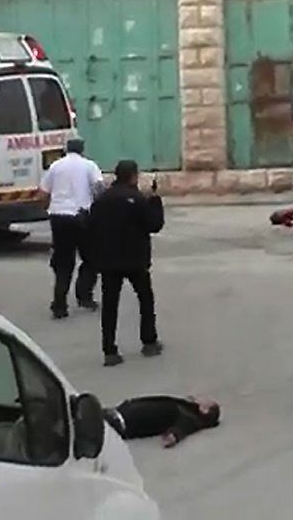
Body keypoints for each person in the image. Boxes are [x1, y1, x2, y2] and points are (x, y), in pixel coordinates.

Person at [90, 160, 165, 367]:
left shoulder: (102, 200)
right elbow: (154, 225)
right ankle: (149, 341)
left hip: (109, 260)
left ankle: (109, 349)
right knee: (145, 299)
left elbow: (91, 227)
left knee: (110, 305)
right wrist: (155, 201)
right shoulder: (137, 199)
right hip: (135, 259)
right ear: (133, 176)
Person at [39, 137, 105, 319]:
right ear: (82, 150)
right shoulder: (89, 165)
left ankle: (59, 304)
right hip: (81, 216)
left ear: (66, 149)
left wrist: (48, 208)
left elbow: (43, 193)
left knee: (63, 263)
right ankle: (84, 294)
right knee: (92, 258)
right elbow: (99, 188)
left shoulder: (56, 166)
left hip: (59, 217)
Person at [104, 395, 220, 448]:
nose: (204, 398)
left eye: (207, 402)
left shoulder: (190, 417)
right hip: (122, 413)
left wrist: (173, 437)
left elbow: (183, 428)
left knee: (93, 421)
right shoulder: (187, 408)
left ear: (205, 410)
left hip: (126, 420)